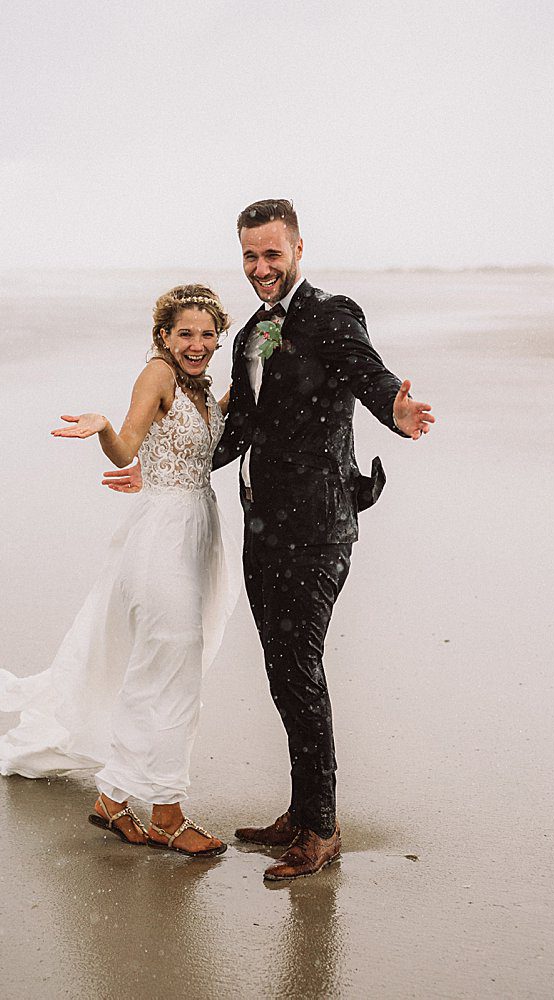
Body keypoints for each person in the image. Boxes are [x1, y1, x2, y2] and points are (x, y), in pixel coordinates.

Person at [107, 200, 434, 881]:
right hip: (262, 528)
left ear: (298, 250)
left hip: (316, 528)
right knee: (283, 673)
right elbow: (241, 428)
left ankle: (320, 830)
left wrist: (396, 412)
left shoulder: (332, 314)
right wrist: (165, 465)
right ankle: (302, 808)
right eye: (251, 256)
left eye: (272, 254)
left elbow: (370, 375)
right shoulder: (252, 330)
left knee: (300, 670)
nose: (261, 268)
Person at [0, 284, 239, 857]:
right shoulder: (157, 377)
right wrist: (101, 430)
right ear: (163, 337)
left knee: (169, 670)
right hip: (165, 537)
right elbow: (128, 449)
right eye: (184, 333)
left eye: (206, 333)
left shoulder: (203, 387)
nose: (196, 344)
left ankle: (114, 800)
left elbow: (199, 450)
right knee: (169, 673)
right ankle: (164, 811)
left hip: (197, 530)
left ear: (218, 337)